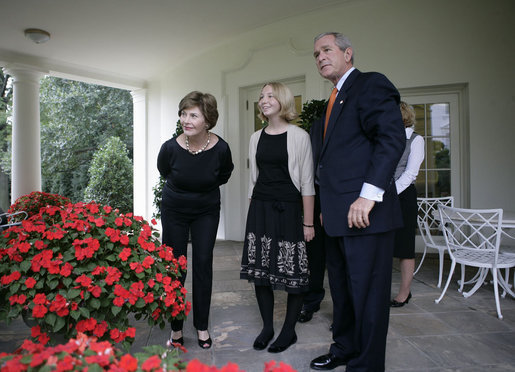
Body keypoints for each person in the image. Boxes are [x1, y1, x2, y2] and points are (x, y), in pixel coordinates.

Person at [309, 32, 405, 371]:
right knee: (343, 292)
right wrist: (324, 209)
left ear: (348, 53)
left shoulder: (370, 85)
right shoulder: (334, 100)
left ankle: (366, 365)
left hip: (367, 214)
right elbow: (333, 160)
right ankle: (345, 349)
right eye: (316, 53)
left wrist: (368, 195)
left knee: (368, 296)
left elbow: (391, 140)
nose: (320, 56)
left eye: (327, 49)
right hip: (337, 217)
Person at [240, 82, 315, 353]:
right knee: (260, 271)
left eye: (270, 95)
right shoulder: (255, 137)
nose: (263, 100)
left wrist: (308, 223)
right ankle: (268, 327)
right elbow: (253, 180)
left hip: (291, 209)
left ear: (283, 100)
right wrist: (251, 214)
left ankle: (288, 331)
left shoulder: (299, 136)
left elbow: (307, 182)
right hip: (261, 207)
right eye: (261, 96)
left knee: (293, 269)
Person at [157, 91, 234, 349]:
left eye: (193, 115)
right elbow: (164, 171)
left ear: (207, 120)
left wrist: (201, 189)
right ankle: (176, 328)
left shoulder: (221, 148)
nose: (186, 120)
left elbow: (224, 173)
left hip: (206, 211)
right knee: (175, 266)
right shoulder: (169, 148)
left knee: (202, 264)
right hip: (174, 209)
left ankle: (202, 325)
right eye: (183, 113)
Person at [390, 101, 425, 307]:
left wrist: (389, 193)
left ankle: (404, 293)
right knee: (382, 247)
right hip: (382, 196)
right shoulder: (385, 138)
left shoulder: (415, 140)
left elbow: (411, 173)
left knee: (404, 248)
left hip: (402, 198)